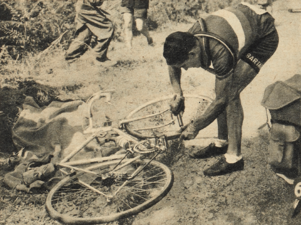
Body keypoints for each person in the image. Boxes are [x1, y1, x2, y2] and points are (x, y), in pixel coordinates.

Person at [163, 2, 279, 176]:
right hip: (245, 18)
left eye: (185, 65)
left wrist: (196, 126)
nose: (185, 69)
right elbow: (172, 65)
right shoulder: (187, 38)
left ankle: (234, 158)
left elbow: (222, 99)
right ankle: (221, 143)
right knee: (222, 88)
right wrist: (178, 93)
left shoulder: (220, 50)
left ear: (193, 54)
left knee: (230, 92)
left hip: (265, 35)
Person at [65, 0, 115, 66]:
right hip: (86, 7)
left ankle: (69, 59)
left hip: (83, 6)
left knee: (85, 35)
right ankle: (99, 57)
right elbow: (94, 1)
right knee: (107, 27)